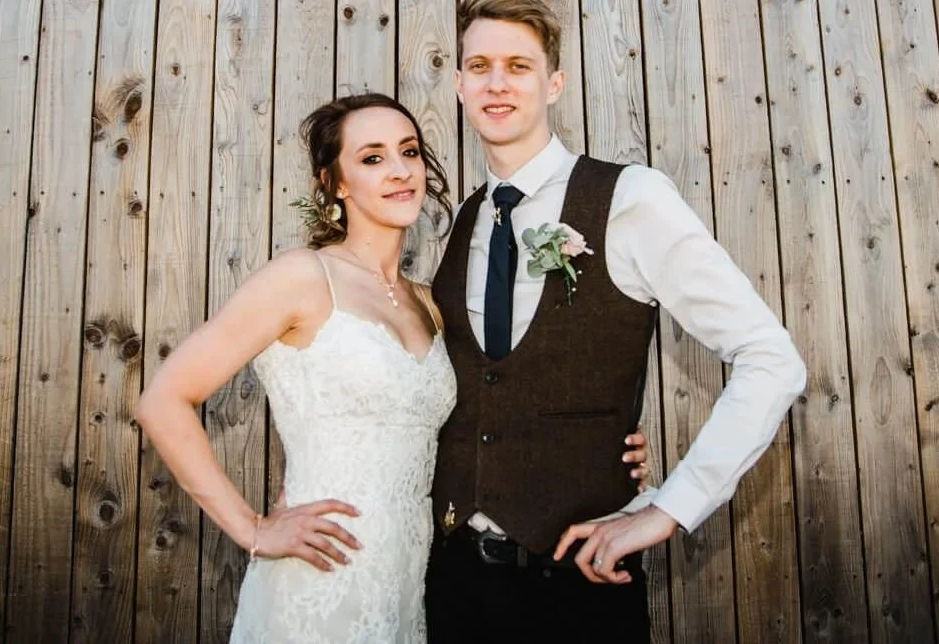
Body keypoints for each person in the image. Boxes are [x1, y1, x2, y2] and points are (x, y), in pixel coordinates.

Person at [136, 93, 647, 643]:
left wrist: (594, 446)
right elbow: (162, 400)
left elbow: (493, 406)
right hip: (324, 570)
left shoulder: (431, 303)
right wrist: (253, 530)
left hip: (413, 579)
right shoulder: (302, 277)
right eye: (372, 158)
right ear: (335, 183)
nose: (401, 171)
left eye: (409, 151)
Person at [425, 0, 808, 643]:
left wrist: (667, 508)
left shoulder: (629, 198)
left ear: (554, 83)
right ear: (459, 83)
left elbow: (772, 359)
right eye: (480, 65)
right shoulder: (463, 220)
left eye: (519, 66)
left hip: (577, 592)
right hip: (457, 588)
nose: (497, 83)